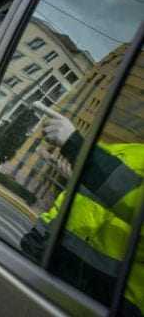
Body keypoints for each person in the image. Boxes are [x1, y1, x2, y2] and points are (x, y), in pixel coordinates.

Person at [21, 103, 143, 315]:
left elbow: (130, 198)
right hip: (51, 263)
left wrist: (75, 146)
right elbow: (84, 196)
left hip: (109, 299)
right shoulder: (130, 152)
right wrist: (40, 238)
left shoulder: (109, 155)